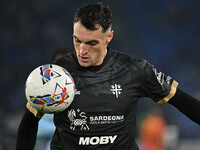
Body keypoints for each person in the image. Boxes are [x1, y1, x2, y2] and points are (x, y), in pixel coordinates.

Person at [16, 2, 200, 150]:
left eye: (91, 43)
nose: (82, 50)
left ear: (109, 37)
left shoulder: (135, 69)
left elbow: (185, 102)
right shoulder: (55, 75)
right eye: (77, 40)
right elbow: (28, 125)